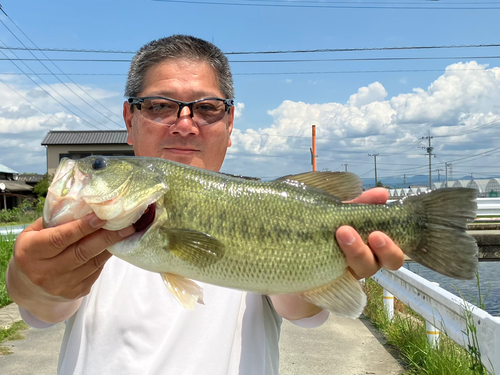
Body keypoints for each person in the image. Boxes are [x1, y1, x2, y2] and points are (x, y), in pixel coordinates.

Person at [6, 35, 405, 374]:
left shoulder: (257, 205)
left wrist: (339, 260)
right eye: (159, 105)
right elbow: (43, 304)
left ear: (229, 125)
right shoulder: (88, 227)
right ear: (129, 119)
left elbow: (296, 305)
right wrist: (27, 279)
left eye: (207, 108)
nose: (184, 123)